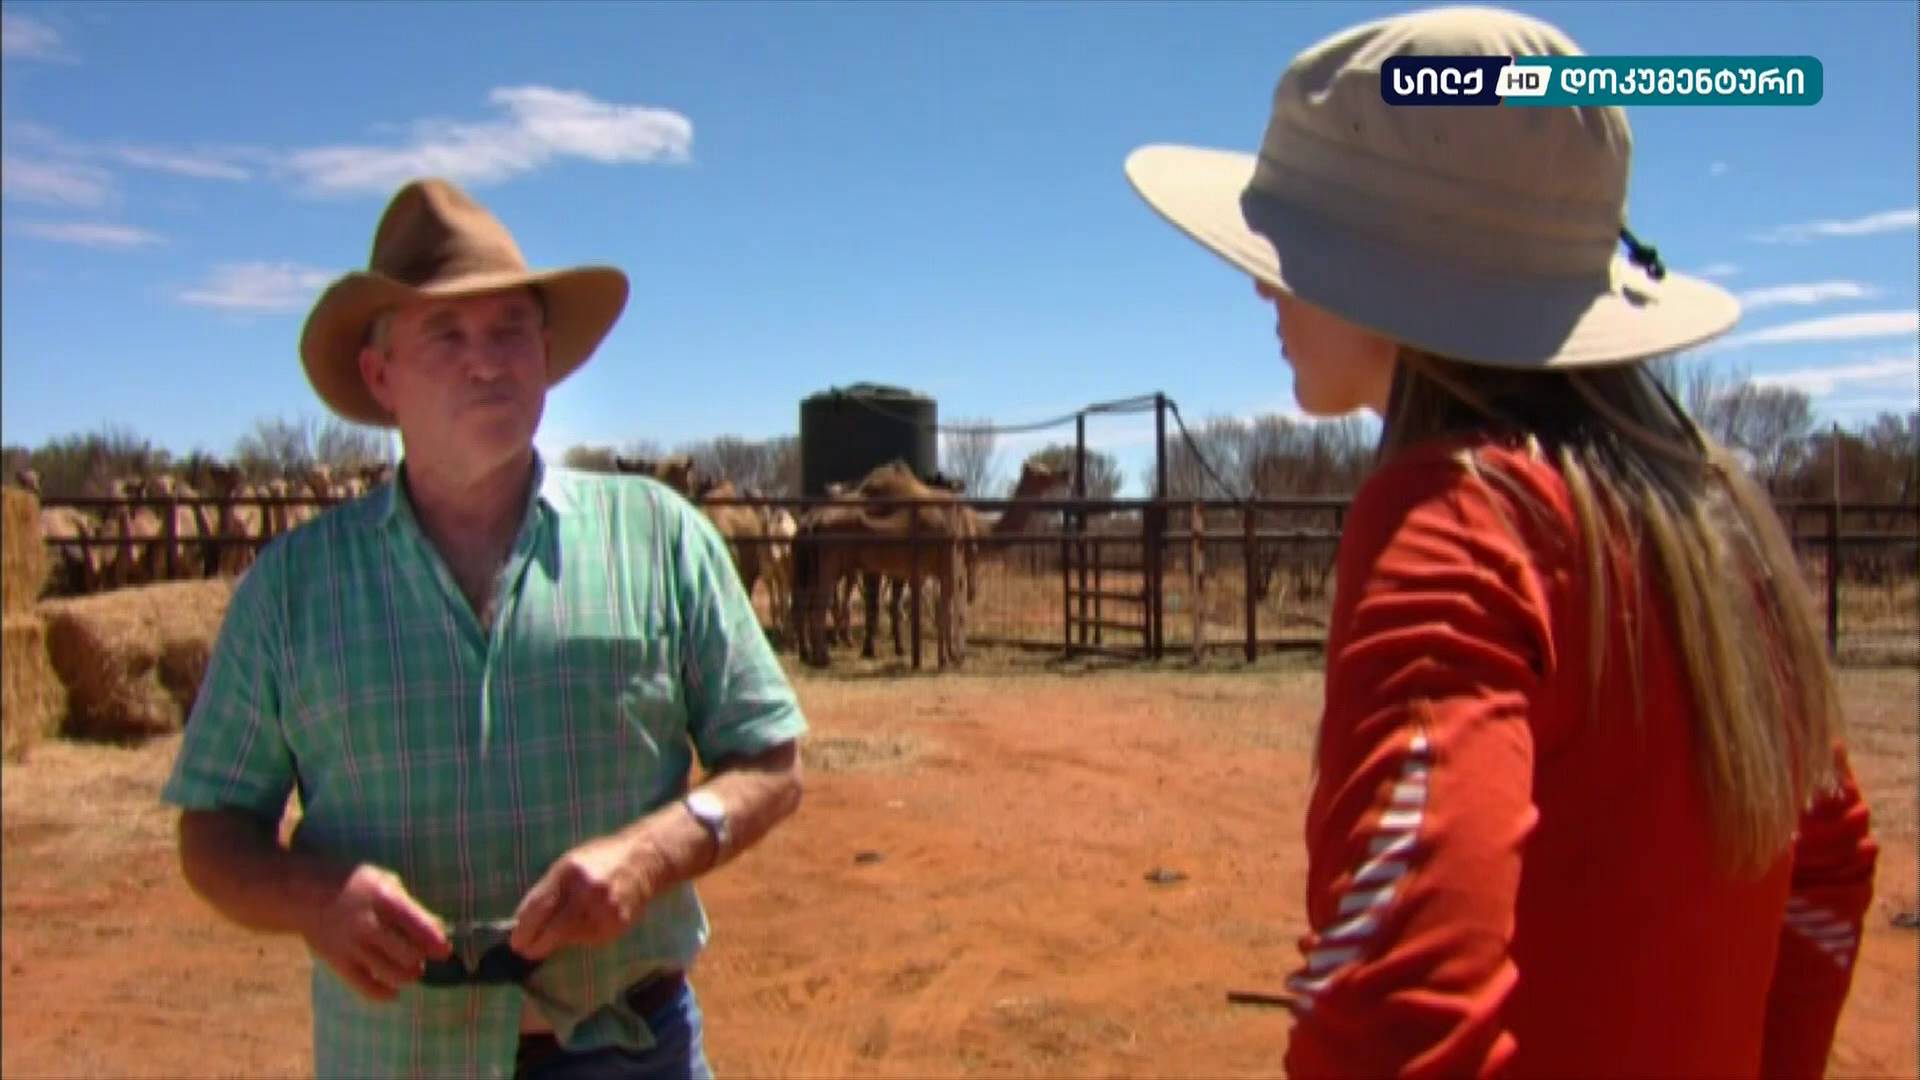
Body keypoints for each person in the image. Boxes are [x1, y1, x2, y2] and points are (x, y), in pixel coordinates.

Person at [1123, 7, 1876, 1077]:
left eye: (1295, 245)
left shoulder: (1461, 523)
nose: (1261, 281)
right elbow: (1829, 864)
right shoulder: (1716, 521)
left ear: (1391, 271)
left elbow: (1394, 1018)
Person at [162, 176, 808, 1079]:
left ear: (545, 355)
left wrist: (652, 854)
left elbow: (771, 764)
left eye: (510, 330)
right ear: (380, 375)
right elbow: (212, 830)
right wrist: (314, 896)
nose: (487, 362)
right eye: (446, 334)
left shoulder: (659, 539)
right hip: (394, 1057)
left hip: (627, 1046)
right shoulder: (291, 591)